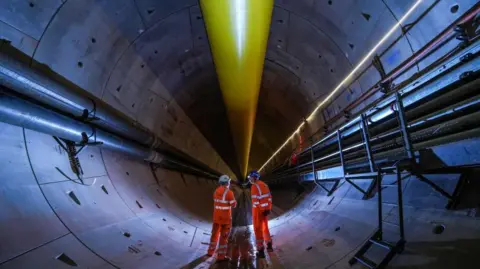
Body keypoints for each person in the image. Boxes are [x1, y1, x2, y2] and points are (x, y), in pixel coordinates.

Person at [207, 175, 237, 262]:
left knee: (214, 235)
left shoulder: (216, 191)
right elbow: (233, 204)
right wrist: (234, 201)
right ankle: (221, 256)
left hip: (216, 218)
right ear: (227, 183)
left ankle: (210, 252)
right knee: (223, 238)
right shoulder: (229, 193)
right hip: (225, 220)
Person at [248, 170, 273, 258]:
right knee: (265, 227)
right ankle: (269, 245)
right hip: (265, 211)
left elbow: (255, 202)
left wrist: (261, 209)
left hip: (258, 211)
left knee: (258, 229)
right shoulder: (265, 185)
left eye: (250, 177)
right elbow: (269, 198)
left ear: (254, 177)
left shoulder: (254, 186)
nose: (249, 179)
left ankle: (260, 250)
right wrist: (268, 209)